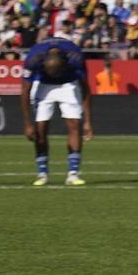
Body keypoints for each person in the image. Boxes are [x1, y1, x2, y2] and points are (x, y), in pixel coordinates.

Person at [19, 37, 92, 187]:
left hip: (68, 85)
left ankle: (73, 173)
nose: (55, 76)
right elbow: (25, 91)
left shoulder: (76, 56)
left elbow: (85, 88)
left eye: (57, 72)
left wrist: (87, 121)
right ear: (44, 64)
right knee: (40, 129)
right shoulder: (33, 58)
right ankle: (42, 174)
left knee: (74, 125)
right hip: (43, 85)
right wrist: (27, 123)